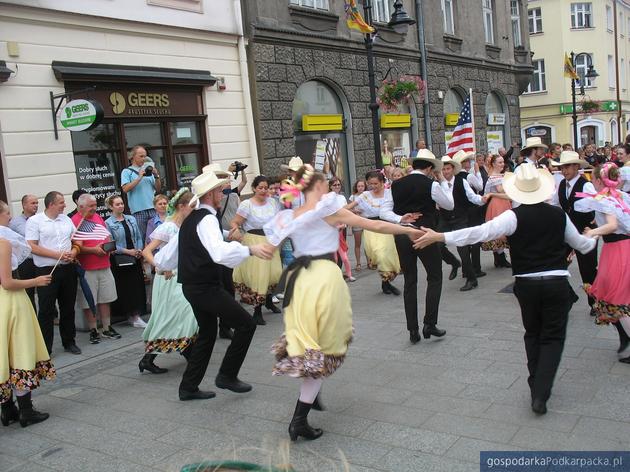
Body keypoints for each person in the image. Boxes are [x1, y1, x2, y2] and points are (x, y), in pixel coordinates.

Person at [413, 163, 596, 415]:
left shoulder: (513, 216)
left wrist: (442, 237)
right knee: (553, 337)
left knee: (532, 332)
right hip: (556, 282)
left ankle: (536, 384)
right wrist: (595, 235)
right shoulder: (558, 215)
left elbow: (479, 232)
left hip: (526, 284)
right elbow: (582, 245)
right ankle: (541, 391)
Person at [263, 164, 422, 441]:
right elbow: (372, 224)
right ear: (316, 187)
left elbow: (269, 246)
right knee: (324, 347)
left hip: (301, 282)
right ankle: (299, 419)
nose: (327, 186)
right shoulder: (327, 211)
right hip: (323, 279)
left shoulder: (292, 214)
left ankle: (312, 393)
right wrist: (404, 229)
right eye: (323, 183)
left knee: (310, 342)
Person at [177, 171, 273, 401]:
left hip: (193, 285)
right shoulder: (206, 218)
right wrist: (250, 249)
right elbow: (218, 253)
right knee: (246, 325)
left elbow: (180, 248)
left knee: (207, 334)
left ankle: (188, 387)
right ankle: (227, 375)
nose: (223, 193)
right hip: (204, 287)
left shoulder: (194, 218)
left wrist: (161, 264)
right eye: (220, 190)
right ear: (211, 194)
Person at [380, 149, 453, 344]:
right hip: (425, 233)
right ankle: (429, 323)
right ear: (429, 168)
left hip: (403, 234)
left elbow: (383, 212)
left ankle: (412, 329)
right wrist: (442, 180)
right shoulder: (432, 184)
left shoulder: (395, 185)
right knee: (435, 276)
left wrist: (400, 218)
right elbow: (450, 204)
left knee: (410, 281)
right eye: (433, 169)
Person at [0, 203, 55, 428]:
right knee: (20, 351)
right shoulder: (3, 243)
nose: (10, 216)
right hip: (10, 301)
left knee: (4, 354)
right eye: (6, 212)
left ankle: (7, 409)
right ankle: (25, 410)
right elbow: (7, 281)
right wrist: (36, 281)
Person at [574, 163, 630, 361]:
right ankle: (625, 339)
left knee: (616, 299)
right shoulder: (620, 196)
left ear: (598, 180)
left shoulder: (607, 199)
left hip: (618, 251)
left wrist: (592, 232)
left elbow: (612, 225)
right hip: (618, 248)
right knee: (613, 296)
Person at [140, 188, 197, 374]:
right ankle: (181, 352)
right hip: (168, 278)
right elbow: (146, 251)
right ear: (181, 207)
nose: (194, 210)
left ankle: (185, 349)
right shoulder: (167, 227)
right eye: (192, 207)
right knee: (174, 315)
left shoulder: (185, 226)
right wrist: (161, 267)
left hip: (182, 276)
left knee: (184, 314)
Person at [25, 191, 81, 355]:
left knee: (68, 307)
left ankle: (69, 341)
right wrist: (56, 255)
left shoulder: (66, 219)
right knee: (46, 309)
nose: (65, 205)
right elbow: (32, 246)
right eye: (61, 202)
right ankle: (45, 348)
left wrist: (74, 251)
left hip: (67, 268)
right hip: (46, 269)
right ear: (51, 205)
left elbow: (77, 239)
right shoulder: (35, 221)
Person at [550, 151, 598, 315]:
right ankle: (568, 296)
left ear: (577, 167)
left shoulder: (586, 185)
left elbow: (597, 207)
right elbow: (555, 204)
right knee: (557, 264)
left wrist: (593, 226)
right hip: (567, 232)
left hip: (585, 232)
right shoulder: (562, 185)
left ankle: (595, 303)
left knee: (588, 270)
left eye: (568, 167)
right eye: (562, 167)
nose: (564, 171)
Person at [231, 176, 282, 325]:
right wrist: (235, 231)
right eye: (260, 187)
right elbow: (235, 221)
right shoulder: (247, 204)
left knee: (273, 274)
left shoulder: (273, 202)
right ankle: (257, 310)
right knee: (259, 276)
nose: (264, 190)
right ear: (254, 188)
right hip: (253, 241)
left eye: (266, 187)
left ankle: (268, 301)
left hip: (270, 241)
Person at [72, 194, 120, 345]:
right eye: (91, 206)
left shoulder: (98, 217)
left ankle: (106, 327)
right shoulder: (75, 221)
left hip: (104, 264)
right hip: (87, 268)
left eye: (95, 205)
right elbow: (75, 247)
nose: (94, 208)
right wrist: (93, 250)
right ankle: (93, 329)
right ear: (81, 207)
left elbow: (105, 236)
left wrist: (109, 246)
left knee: (105, 298)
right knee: (89, 301)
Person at [347, 171, 406, 295]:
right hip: (371, 227)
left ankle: (386, 283)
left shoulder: (389, 193)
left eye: (376, 183)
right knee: (378, 254)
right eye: (370, 184)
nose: (373, 186)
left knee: (386, 253)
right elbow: (350, 206)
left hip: (386, 226)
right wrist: (336, 212)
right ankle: (386, 282)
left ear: (382, 182)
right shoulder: (365, 195)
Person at [438, 156, 488, 291]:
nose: (446, 172)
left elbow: (471, 196)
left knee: (463, 248)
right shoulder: (437, 183)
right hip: (445, 219)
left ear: (453, 169)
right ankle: (454, 262)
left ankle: (472, 279)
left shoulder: (461, 181)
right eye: (443, 169)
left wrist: (482, 199)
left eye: (448, 169)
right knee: (437, 244)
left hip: (460, 218)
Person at [104, 195, 147, 328]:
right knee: (126, 288)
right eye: (117, 204)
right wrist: (128, 251)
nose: (121, 206)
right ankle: (131, 316)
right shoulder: (108, 223)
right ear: (111, 207)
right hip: (121, 259)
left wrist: (139, 250)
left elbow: (138, 236)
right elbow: (111, 245)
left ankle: (137, 314)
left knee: (137, 286)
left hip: (135, 256)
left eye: (122, 203)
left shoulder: (131, 219)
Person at [453, 151, 486, 277]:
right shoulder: (469, 176)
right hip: (473, 209)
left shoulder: (455, 178)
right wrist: (477, 172)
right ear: (463, 163)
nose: (470, 163)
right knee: (475, 239)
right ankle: (476, 268)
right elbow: (480, 186)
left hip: (462, 211)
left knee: (466, 240)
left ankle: (466, 269)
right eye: (467, 161)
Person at [121, 145, 162, 241]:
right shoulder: (127, 171)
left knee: (157, 238)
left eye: (145, 156)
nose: (144, 159)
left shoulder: (149, 171)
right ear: (132, 157)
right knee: (142, 238)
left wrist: (156, 176)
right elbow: (125, 189)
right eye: (141, 156)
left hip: (153, 209)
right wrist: (139, 178)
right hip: (138, 211)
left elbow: (158, 189)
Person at [482, 155, 512, 268]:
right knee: (499, 229)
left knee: (503, 229)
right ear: (493, 164)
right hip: (497, 203)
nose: (502, 164)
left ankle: (499, 257)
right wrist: (510, 183)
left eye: (502, 162)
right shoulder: (494, 177)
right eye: (499, 162)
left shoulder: (501, 176)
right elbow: (500, 190)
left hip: (503, 202)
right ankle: (500, 258)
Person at [9, 194, 39, 308]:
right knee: (29, 292)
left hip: (40, 259)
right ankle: (33, 317)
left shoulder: (40, 220)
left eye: (37, 203)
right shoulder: (16, 222)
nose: (36, 206)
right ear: (24, 205)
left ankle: (52, 316)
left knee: (44, 289)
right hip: (26, 261)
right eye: (33, 203)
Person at [330, 177, 355, 282]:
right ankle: (336, 274)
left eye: (338, 184)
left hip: (341, 227)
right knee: (334, 255)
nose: (337, 187)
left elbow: (346, 211)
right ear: (330, 186)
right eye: (334, 185)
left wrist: (345, 224)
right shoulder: (327, 198)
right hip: (331, 228)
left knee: (343, 254)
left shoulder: (342, 197)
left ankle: (346, 274)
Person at [349, 179, 366, 272]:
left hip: (367, 221)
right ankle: (358, 263)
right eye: (359, 186)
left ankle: (370, 261)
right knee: (358, 243)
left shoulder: (368, 195)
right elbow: (348, 209)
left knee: (368, 243)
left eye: (362, 186)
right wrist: (355, 211)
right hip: (357, 221)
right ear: (356, 187)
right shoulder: (353, 197)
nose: (360, 188)